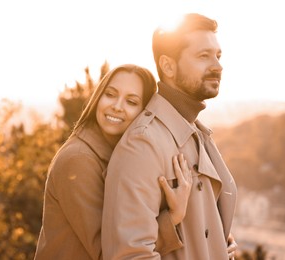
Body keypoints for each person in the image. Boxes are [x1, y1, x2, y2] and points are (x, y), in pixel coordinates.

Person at [102, 13, 238, 259]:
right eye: (203, 56)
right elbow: (132, 254)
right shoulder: (143, 143)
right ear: (167, 66)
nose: (218, 66)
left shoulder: (198, 132)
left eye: (218, 56)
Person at [34, 64, 193, 260]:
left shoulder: (128, 156)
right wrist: (173, 217)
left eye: (131, 101)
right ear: (98, 97)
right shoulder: (78, 161)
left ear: (145, 112)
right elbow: (110, 252)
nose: (117, 106)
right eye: (110, 94)